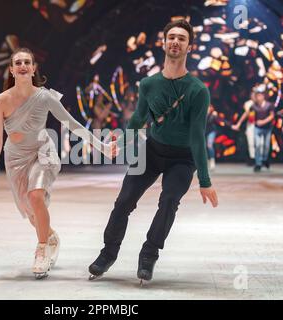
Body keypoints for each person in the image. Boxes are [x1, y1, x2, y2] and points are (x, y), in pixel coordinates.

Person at [88, 19, 219, 284]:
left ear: (189, 47)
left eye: (181, 38)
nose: (175, 41)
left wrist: (205, 180)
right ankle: (108, 253)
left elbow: (196, 136)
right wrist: (121, 143)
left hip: (183, 159)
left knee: (169, 200)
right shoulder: (148, 84)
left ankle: (149, 254)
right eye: (171, 37)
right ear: (163, 43)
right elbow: (138, 120)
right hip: (152, 150)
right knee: (124, 200)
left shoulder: (198, 91)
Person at [0, 48, 117, 279]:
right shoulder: (0, 101)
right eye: (18, 62)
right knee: (32, 214)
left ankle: (42, 250)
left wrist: (102, 147)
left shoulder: (45, 97)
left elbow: (73, 125)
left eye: (27, 62)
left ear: (33, 69)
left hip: (43, 152)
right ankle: (50, 237)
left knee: (36, 196)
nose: (22, 66)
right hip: (15, 158)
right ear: (11, 69)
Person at [232, 88, 275, 172]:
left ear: (263, 96)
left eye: (260, 96)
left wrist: (263, 122)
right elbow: (246, 114)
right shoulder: (253, 106)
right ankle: (258, 163)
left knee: (266, 146)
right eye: (257, 96)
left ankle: (264, 159)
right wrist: (239, 123)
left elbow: (272, 116)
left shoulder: (269, 105)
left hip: (267, 128)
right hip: (257, 128)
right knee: (257, 145)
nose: (258, 97)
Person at [206, 104, 219, 171]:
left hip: (211, 131)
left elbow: (221, 121)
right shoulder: (201, 113)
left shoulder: (213, 115)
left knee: (209, 145)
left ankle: (212, 161)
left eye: (209, 107)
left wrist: (231, 126)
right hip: (203, 132)